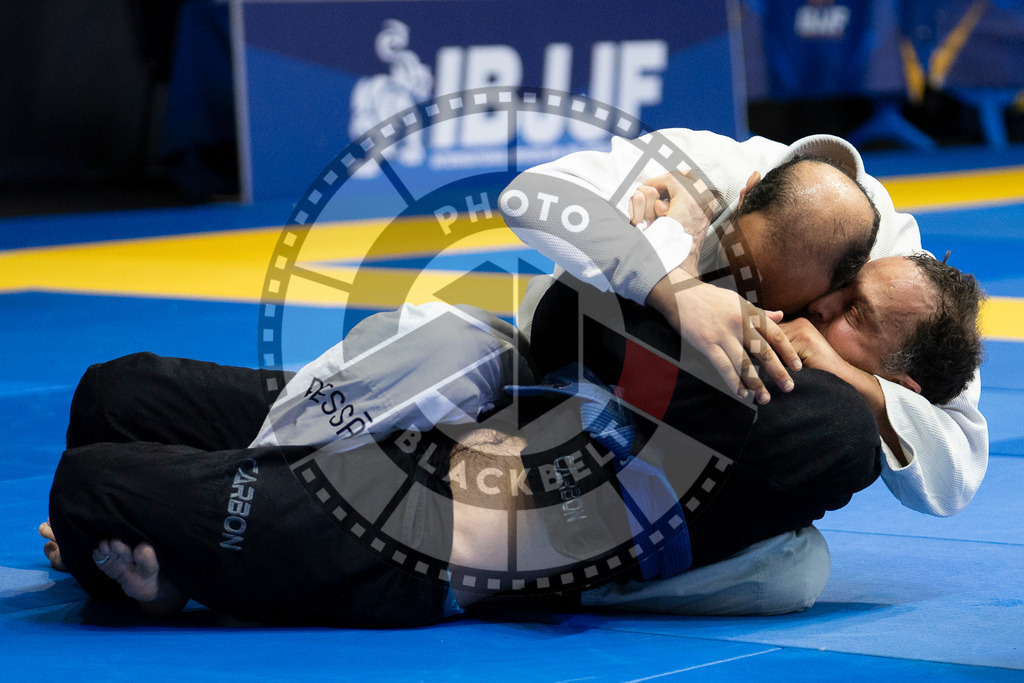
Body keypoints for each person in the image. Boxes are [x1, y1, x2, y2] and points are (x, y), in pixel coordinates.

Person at [40, 251, 982, 625]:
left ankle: (171, 574)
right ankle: (191, 544)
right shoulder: (729, 327)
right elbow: (564, 313)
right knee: (114, 391)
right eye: (837, 283)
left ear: (892, 381)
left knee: (94, 485)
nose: (815, 303)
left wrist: (681, 321)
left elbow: (636, 370)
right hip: (420, 410)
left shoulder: (828, 433)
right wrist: (678, 300)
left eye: (851, 311)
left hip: (422, 533)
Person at [500, 128, 988, 615]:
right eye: (736, 279)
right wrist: (679, 284)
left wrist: (845, 373)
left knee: (797, 565)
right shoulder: (705, 170)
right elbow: (528, 196)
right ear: (747, 194)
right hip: (591, 343)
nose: (742, 306)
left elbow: (957, 474)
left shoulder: (898, 282)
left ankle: (579, 570)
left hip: (694, 441)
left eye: (778, 302)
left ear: (842, 276)